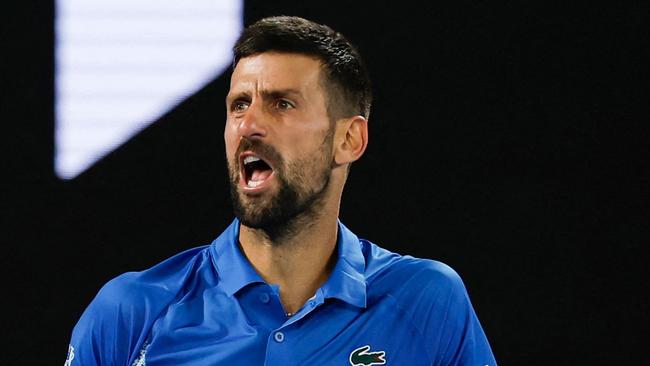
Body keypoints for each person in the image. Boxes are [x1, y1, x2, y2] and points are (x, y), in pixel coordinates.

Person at [65, 15, 497, 366]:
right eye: (239, 105)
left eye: (282, 104)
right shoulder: (132, 310)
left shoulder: (426, 300)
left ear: (349, 140)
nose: (248, 125)